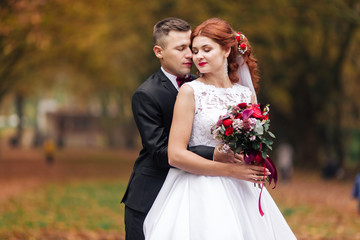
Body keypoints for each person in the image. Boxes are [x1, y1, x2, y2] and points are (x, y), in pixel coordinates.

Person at [144, 18, 296, 239]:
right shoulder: (190, 92)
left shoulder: (245, 94)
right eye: (195, 51)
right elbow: (175, 155)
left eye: (206, 49)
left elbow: (252, 146)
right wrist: (230, 170)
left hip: (242, 191)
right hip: (198, 189)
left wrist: (252, 160)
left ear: (226, 50)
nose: (198, 56)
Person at [121, 17, 245, 240]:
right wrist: (215, 154)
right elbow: (161, 152)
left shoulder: (207, 83)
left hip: (209, 191)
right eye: (181, 48)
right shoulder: (146, 94)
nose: (191, 54)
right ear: (159, 52)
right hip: (153, 192)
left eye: (191, 46)